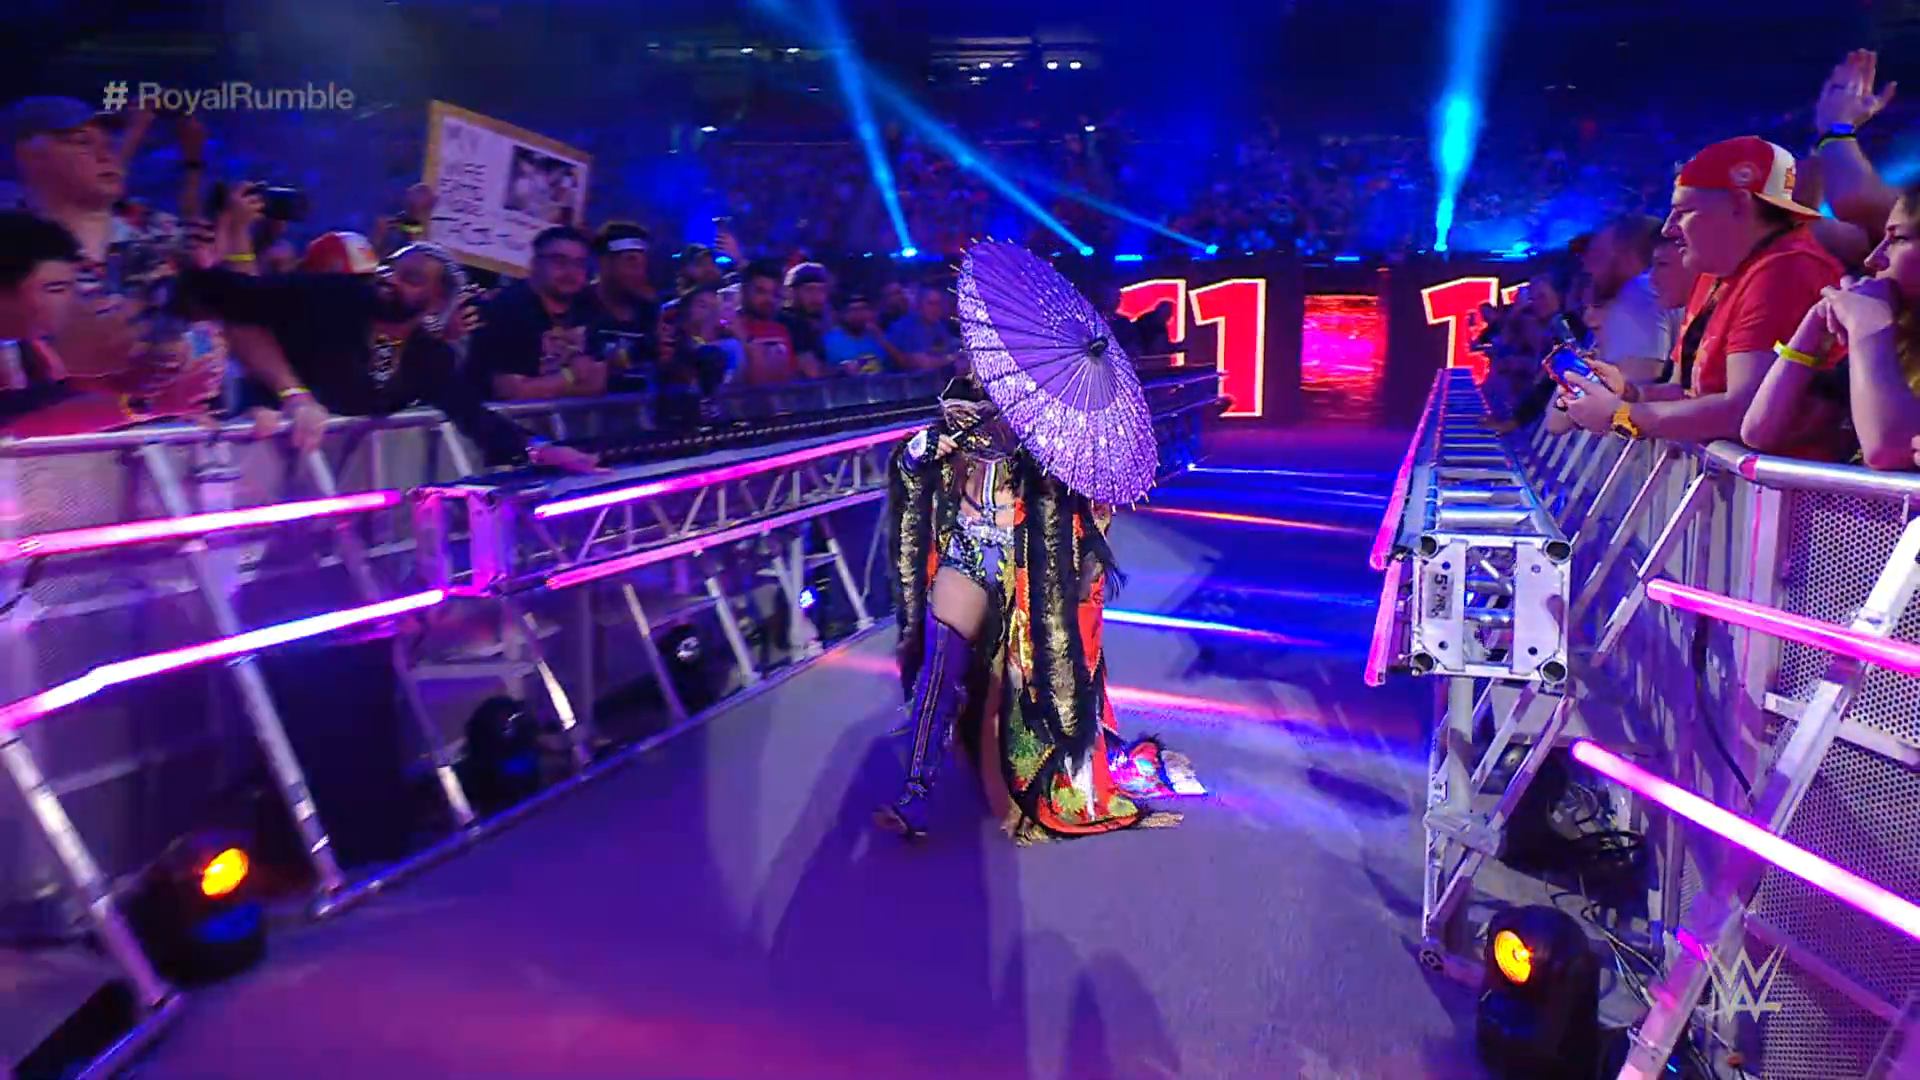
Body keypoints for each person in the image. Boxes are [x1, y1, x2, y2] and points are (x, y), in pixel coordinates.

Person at [877, 376, 1201, 844]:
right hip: (966, 555)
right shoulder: (960, 413)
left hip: (1028, 572)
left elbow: (1087, 515)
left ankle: (1040, 781)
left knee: (1026, 694)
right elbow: (914, 484)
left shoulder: (1054, 433)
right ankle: (916, 793)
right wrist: (915, 456)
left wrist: (1085, 546)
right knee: (939, 671)